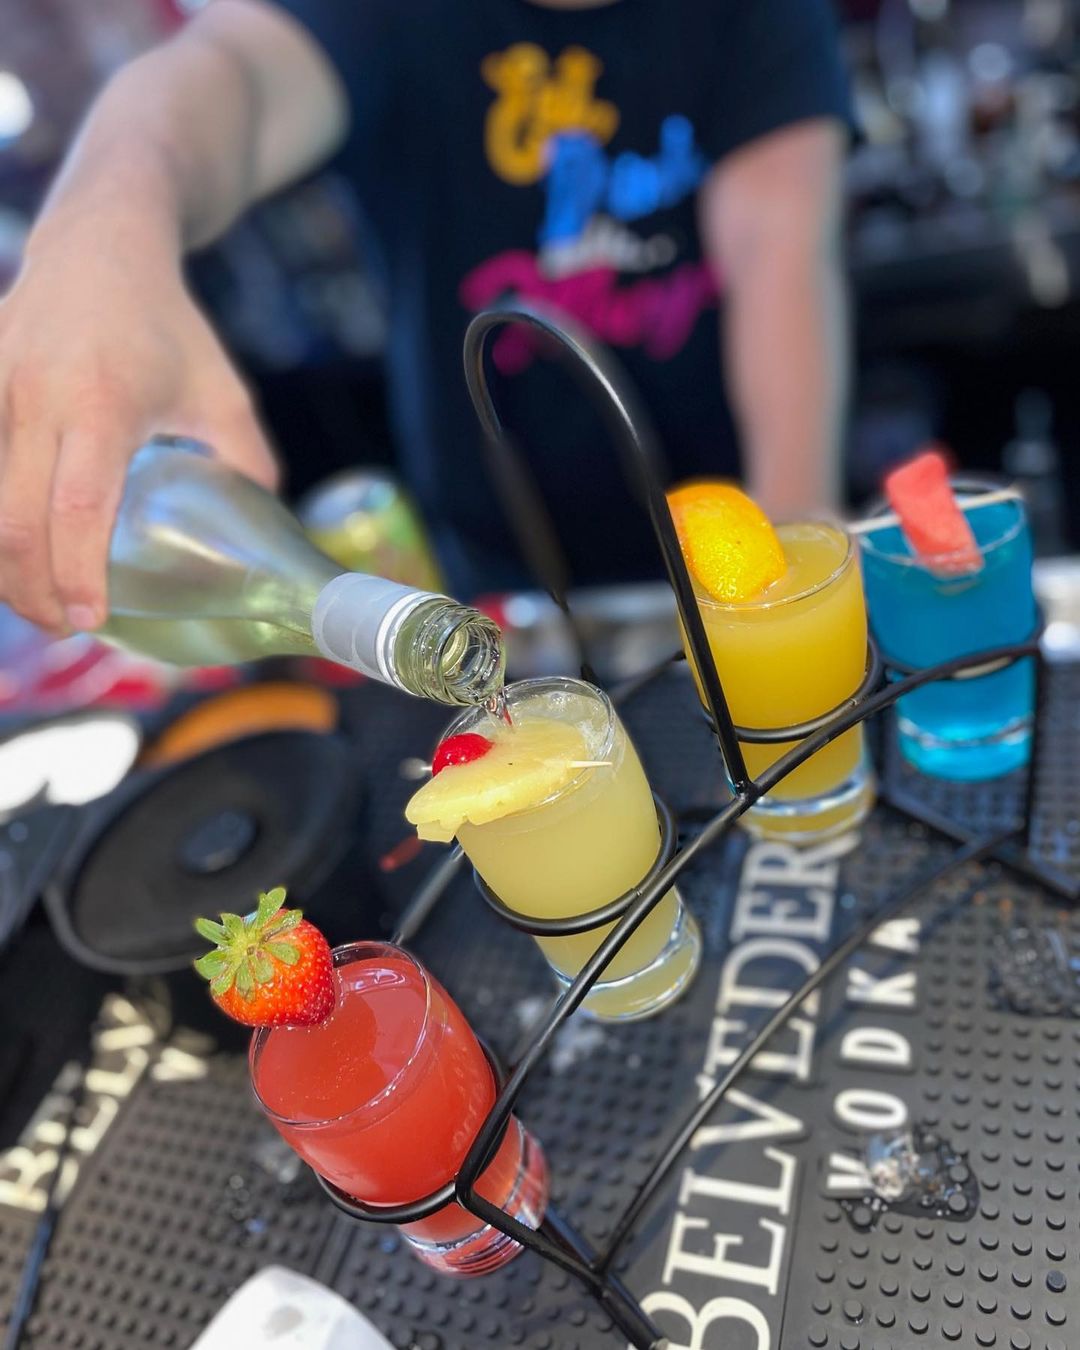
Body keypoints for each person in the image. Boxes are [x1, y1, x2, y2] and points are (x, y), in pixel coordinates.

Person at [0, 0, 852, 630]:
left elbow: (776, 256)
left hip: (731, 518)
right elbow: (230, 76)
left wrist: (786, 575)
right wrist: (104, 228)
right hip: (499, 552)